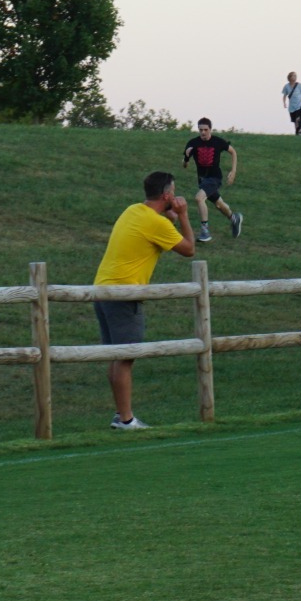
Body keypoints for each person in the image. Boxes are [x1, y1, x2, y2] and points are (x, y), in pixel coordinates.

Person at [94, 171, 196, 429]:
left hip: (102, 290)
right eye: (174, 191)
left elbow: (153, 232)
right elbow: (189, 249)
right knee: (126, 357)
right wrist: (183, 215)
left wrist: (169, 217)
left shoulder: (133, 211)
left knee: (116, 356)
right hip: (124, 294)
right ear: (167, 195)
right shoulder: (156, 223)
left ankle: (121, 415)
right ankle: (126, 419)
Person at [182, 117, 242, 242]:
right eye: (200, 130)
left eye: (205, 129)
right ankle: (234, 218)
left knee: (199, 198)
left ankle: (205, 231)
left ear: (210, 129)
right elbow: (185, 165)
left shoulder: (217, 142)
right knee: (219, 204)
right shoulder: (193, 143)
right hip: (202, 180)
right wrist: (186, 157)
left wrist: (233, 171)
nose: (203, 132)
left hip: (214, 178)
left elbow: (233, 152)